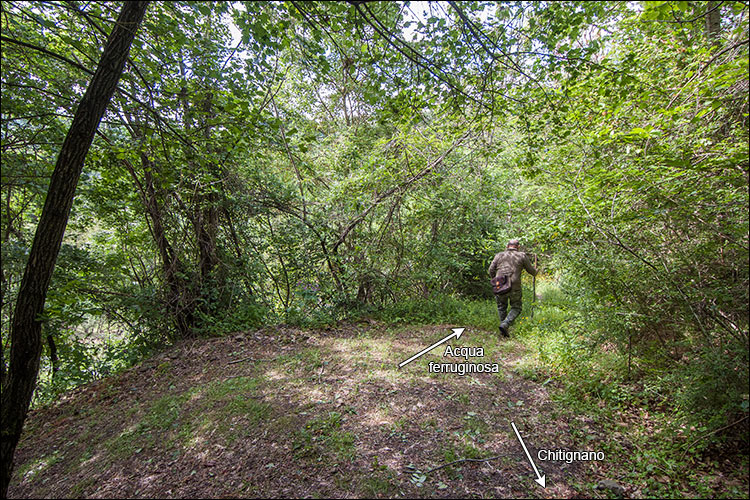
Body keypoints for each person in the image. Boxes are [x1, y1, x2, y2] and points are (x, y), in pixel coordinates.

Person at [488, 239, 537, 337]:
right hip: (514, 286)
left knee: (501, 306)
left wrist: (496, 280)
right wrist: (536, 271)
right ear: (518, 247)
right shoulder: (522, 256)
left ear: (507, 246)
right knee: (516, 307)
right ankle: (505, 325)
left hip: (500, 285)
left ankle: (503, 328)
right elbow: (532, 271)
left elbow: (490, 270)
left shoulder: (499, 255)